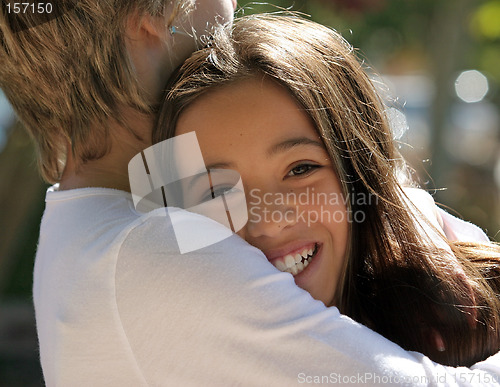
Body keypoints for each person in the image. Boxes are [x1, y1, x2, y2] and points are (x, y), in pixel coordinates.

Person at [1, 1, 500, 385]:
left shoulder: (133, 201)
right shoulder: (149, 251)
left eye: (301, 168)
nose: (233, 7)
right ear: (149, 17)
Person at [154, 14, 500, 368]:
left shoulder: (471, 310)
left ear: (359, 171)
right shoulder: (159, 349)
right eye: (216, 193)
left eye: (301, 169)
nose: (268, 222)